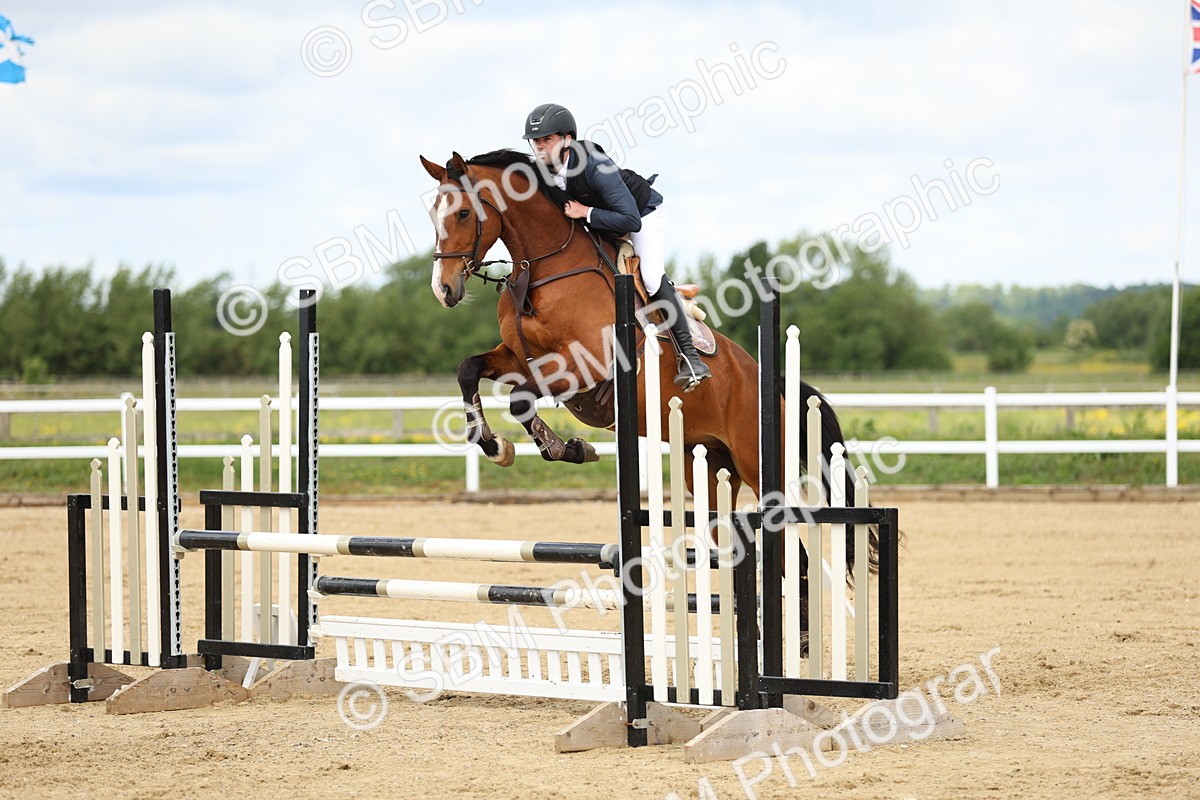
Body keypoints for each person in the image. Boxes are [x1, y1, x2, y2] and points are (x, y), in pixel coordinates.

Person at [522, 102, 712, 392]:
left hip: (642, 214)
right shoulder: (542, 172)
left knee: (649, 275)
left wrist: (585, 212)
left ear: (568, 139)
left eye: (547, 140)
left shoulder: (594, 164)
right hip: (601, 223)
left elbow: (630, 220)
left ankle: (691, 357)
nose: (540, 147)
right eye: (536, 141)